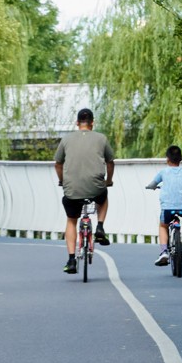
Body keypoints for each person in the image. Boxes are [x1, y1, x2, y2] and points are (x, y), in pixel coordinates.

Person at [54, 107, 115, 274]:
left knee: (71, 220)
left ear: (77, 123)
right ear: (92, 123)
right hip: (96, 187)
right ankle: (100, 227)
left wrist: (62, 180)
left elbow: (58, 164)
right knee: (103, 196)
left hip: (72, 188)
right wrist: (108, 181)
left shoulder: (66, 139)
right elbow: (110, 163)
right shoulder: (101, 138)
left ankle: (72, 259)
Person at [145, 144, 182, 266]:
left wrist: (151, 187)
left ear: (167, 159)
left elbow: (153, 183)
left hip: (167, 208)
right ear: (181, 159)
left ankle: (164, 252)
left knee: (163, 226)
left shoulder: (163, 172)